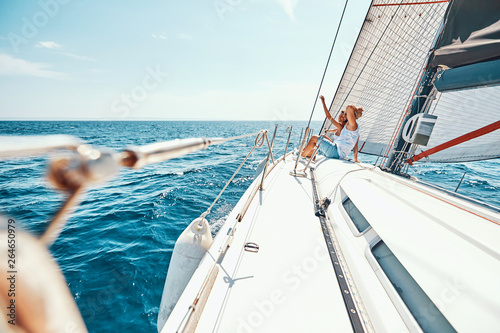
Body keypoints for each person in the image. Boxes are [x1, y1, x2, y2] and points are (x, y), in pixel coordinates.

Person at [301, 95, 363, 162]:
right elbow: (355, 146)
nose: (345, 114)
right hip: (337, 151)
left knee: (314, 138)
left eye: (346, 114)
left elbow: (349, 107)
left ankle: (300, 158)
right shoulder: (352, 130)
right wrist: (355, 159)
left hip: (336, 152)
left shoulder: (352, 126)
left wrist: (323, 101)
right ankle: (305, 155)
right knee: (316, 144)